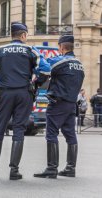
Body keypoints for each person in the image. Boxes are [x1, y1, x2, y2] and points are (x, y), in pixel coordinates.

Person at [0, 22, 51, 180]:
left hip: (5, 93)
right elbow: (46, 70)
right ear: (23, 35)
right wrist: (36, 83)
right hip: (23, 94)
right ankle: (14, 171)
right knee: (19, 130)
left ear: (11, 35)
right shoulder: (30, 50)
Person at [34, 35, 85, 179]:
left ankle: (51, 168)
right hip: (71, 103)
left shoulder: (60, 61)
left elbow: (44, 67)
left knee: (51, 133)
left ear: (62, 47)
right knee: (70, 135)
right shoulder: (79, 64)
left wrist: (37, 54)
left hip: (58, 103)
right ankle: (70, 168)